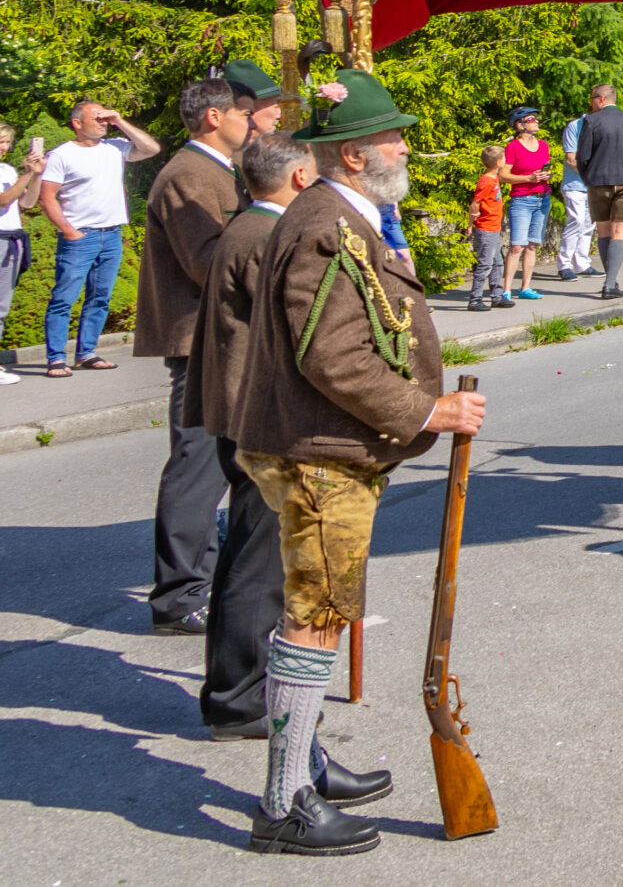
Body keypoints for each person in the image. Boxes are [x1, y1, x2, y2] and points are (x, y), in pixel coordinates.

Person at [228, 71, 481, 856]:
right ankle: (284, 802)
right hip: (320, 451)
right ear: (351, 156)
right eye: (391, 137)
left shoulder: (338, 212)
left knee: (318, 606)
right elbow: (330, 352)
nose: (404, 145)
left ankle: (303, 762)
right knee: (318, 613)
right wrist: (425, 410)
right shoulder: (326, 224)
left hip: (322, 445)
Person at [184, 130, 335, 743]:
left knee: (251, 554)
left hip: (243, 409)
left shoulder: (248, 226)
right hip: (258, 416)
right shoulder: (266, 235)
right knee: (257, 561)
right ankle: (240, 696)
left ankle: (237, 686)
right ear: (299, 178)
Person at [138, 73, 255, 635]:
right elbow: (207, 262)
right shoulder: (188, 173)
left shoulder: (214, 171)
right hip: (200, 337)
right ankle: (180, 594)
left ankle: (216, 577)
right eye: (243, 113)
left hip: (222, 334)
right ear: (215, 116)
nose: (250, 122)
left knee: (230, 462)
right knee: (198, 466)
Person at [37, 99, 160, 375]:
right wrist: (70, 232)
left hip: (112, 234)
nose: (103, 122)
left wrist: (119, 120)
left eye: (105, 118)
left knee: (100, 297)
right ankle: (56, 357)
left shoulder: (115, 148)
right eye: (98, 118)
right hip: (81, 237)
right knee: (64, 298)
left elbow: (152, 148)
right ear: (77, 123)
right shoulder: (62, 154)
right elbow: (47, 198)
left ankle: (86, 353)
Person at [574, 83, 623, 298]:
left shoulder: (591, 121)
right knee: (620, 232)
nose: (590, 103)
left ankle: (610, 281)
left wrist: (587, 177)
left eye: (592, 98)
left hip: (598, 181)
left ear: (601, 98)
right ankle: (610, 283)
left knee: (604, 230)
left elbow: (583, 156)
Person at [0, 124, 47, 387]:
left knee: (1, 306)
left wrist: (36, 175)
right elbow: (4, 199)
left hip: (11, 241)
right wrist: (27, 174)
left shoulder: (7, 170)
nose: (3, 147)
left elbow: (27, 204)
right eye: (0, 141)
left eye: (6, 142)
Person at [497, 106, 554, 304]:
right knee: (516, 246)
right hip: (522, 200)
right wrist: (528, 178)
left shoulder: (543, 145)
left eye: (536, 118)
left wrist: (546, 175)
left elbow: (543, 169)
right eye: (531, 119)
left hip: (542, 198)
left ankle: (526, 287)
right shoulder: (513, 147)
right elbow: (503, 175)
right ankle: (505, 290)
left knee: (532, 244)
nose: (536, 121)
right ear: (519, 124)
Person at [464, 146, 508, 312]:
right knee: (485, 264)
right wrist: (470, 224)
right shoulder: (486, 181)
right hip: (486, 228)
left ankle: (496, 296)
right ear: (498, 162)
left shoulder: (494, 177)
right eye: (504, 158)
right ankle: (475, 298)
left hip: (494, 227)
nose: (506, 160)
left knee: (497, 262)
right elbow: (475, 203)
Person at [556, 109, 594, 281]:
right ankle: (564, 265)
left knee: (588, 224)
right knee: (576, 221)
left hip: (592, 186)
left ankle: (582, 263)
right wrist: (590, 176)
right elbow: (571, 159)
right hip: (575, 184)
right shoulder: (575, 126)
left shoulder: (598, 126)